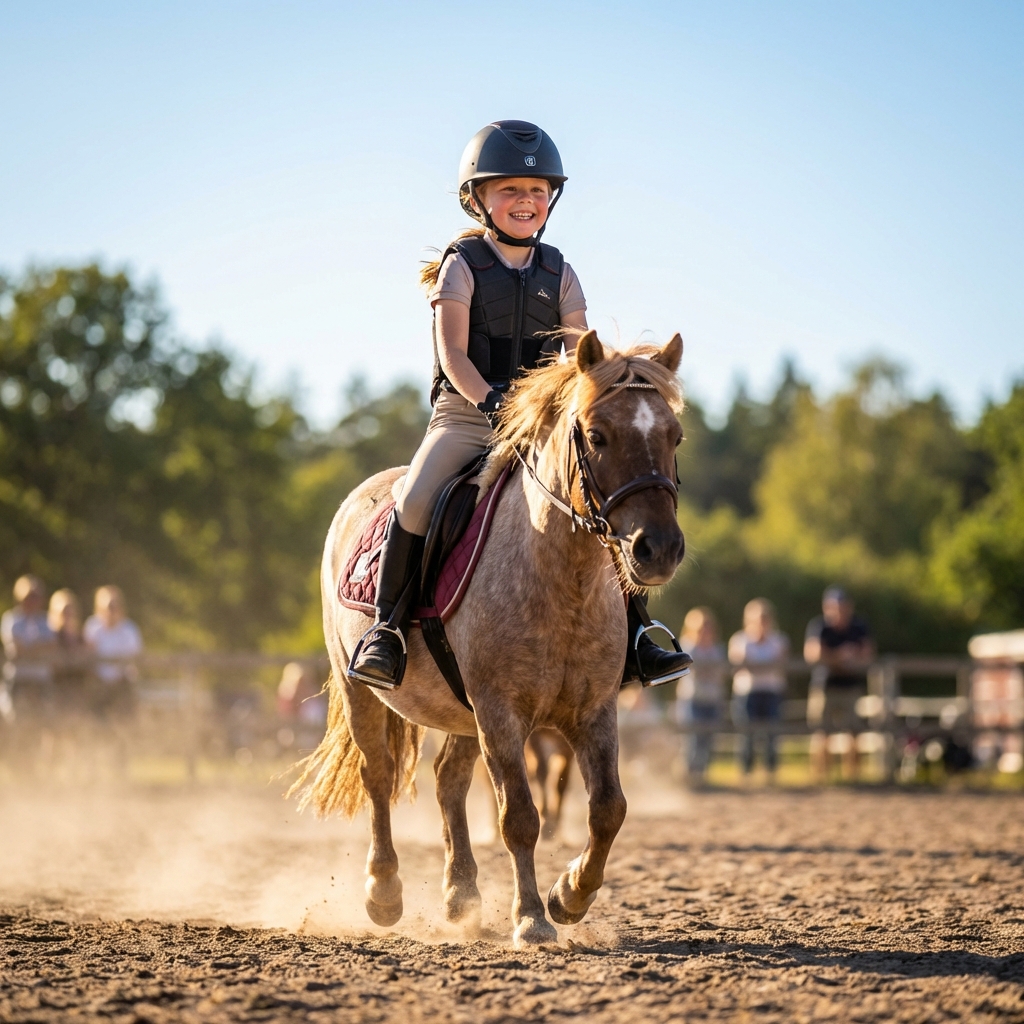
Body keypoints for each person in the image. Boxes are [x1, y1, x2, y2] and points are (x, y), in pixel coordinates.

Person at [347, 120, 692, 691]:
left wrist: (565, 407)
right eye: (509, 190)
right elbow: (453, 354)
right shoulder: (462, 265)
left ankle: (637, 633)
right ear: (479, 198)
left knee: (608, 497)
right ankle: (386, 631)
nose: (525, 202)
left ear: (550, 200)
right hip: (465, 416)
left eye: (536, 192)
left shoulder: (560, 273)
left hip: (538, 425)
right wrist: (490, 402)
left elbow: (581, 361)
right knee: (414, 499)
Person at [804, 586, 875, 782]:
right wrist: (841, 656)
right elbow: (813, 654)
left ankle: (853, 778)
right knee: (821, 734)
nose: (839, 611)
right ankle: (821, 777)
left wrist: (833, 657)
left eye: (843, 606)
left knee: (854, 734)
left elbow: (868, 654)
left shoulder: (859, 626)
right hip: (825, 687)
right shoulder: (820, 626)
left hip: (850, 687)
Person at [729, 599, 790, 782]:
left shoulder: (779, 640)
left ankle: (771, 772)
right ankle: (745, 772)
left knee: (772, 733)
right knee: (746, 734)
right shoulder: (740, 639)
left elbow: (781, 664)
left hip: (772, 692)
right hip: (747, 693)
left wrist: (755, 665)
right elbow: (738, 663)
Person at [676, 607, 727, 785]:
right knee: (692, 739)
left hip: (712, 699)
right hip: (692, 699)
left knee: (708, 738)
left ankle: (702, 774)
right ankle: (689, 774)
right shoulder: (686, 647)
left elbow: (717, 674)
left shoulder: (717, 649)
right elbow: (693, 672)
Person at [1, 575, 56, 722]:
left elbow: (51, 646)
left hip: (40, 677)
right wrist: (38, 647)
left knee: (44, 718)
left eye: (36, 596)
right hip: (19, 678)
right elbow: (16, 648)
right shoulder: (11, 619)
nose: (33, 600)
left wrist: (29, 648)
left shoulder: (45, 620)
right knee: (16, 719)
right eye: (29, 596)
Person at [83, 585, 143, 718]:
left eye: (115, 606)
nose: (112, 610)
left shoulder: (129, 629)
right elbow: (88, 658)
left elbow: (135, 660)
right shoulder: (93, 627)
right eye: (109, 606)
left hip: (122, 684)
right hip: (98, 684)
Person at [48, 588, 89, 715]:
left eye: (70, 610)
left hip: (78, 687)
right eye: (64, 611)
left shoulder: (81, 636)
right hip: (58, 687)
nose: (68, 614)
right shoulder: (52, 636)